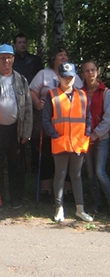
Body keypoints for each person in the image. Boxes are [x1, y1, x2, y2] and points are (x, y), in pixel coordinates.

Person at [30, 46, 83, 203]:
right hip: (47, 122)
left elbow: (81, 96)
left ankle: (67, 190)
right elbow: (32, 91)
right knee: (46, 155)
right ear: (54, 58)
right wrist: (37, 103)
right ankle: (46, 189)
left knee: (67, 155)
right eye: (60, 55)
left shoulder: (74, 76)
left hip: (69, 126)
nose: (63, 57)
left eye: (65, 55)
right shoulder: (43, 74)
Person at [42, 62, 93, 222]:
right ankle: (59, 208)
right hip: (60, 142)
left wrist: (88, 133)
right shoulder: (52, 94)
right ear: (59, 77)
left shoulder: (83, 95)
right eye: (65, 77)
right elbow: (46, 120)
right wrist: (54, 135)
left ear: (75, 77)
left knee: (76, 176)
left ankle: (80, 209)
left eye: (71, 77)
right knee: (60, 175)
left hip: (78, 142)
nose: (68, 80)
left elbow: (88, 117)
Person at [0, 44, 33, 208]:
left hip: (15, 129)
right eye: (2, 57)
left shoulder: (21, 80)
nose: (6, 60)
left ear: (13, 59)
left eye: (9, 57)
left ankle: (16, 199)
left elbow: (27, 108)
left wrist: (26, 131)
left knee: (16, 166)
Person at [82, 61, 110, 214]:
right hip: (85, 139)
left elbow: (108, 119)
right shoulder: (80, 93)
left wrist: (95, 135)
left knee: (100, 172)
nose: (90, 73)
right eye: (87, 71)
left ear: (97, 72)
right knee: (91, 174)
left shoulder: (105, 92)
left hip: (101, 139)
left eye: (93, 70)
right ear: (83, 74)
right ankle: (97, 204)